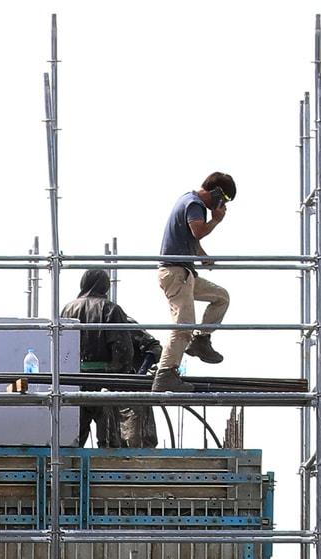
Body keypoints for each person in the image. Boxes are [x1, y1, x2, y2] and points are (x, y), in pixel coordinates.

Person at [154, 172, 236, 393]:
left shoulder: (189, 201)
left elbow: (190, 237)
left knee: (221, 297)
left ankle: (201, 340)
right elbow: (197, 230)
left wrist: (201, 255)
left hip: (185, 273)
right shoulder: (195, 203)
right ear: (217, 192)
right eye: (225, 200)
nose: (223, 205)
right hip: (175, 272)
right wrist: (216, 221)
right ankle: (165, 374)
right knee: (184, 325)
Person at [61, 268, 133, 448]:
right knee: (109, 445)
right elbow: (123, 349)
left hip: (73, 382)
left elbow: (59, 349)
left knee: (70, 443)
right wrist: (121, 379)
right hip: (104, 383)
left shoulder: (68, 309)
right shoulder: (110, 309)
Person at [118, 316, 163, 448]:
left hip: (132, 392)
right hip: (111, 389)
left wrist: (140, 375)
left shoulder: (122, 322)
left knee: (137, 440)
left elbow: (155, 348)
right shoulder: (94, 324)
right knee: (113, 441)